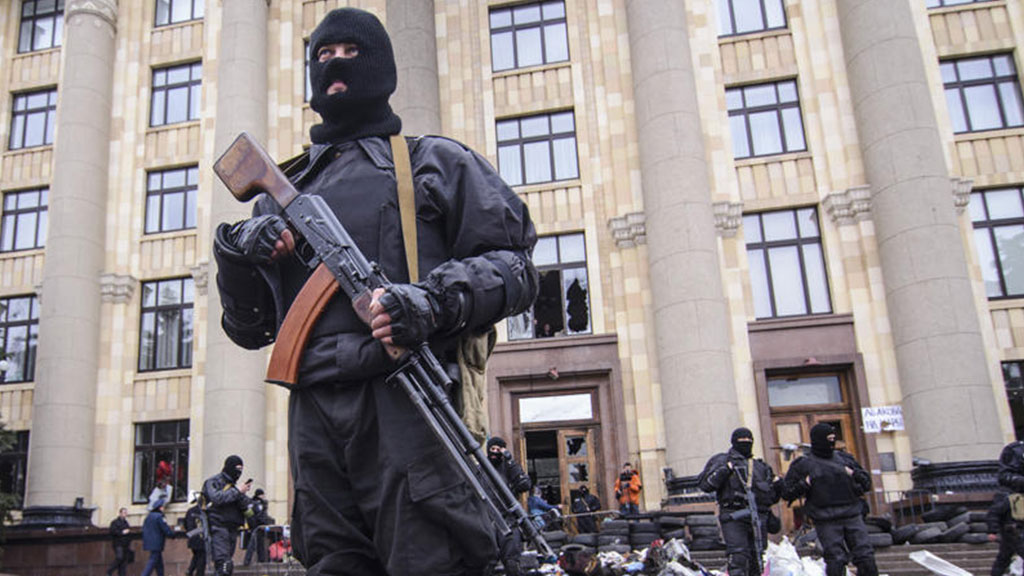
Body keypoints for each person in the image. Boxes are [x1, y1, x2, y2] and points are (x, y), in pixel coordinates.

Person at [213, 7, 538, 576]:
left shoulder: (434, 163)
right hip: (314, 412)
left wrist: (430, 303)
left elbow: (515, 269)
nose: (335, 63)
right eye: (323, 54)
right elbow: (250, 329)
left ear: (382, 67)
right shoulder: (282, 190)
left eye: (351, 52)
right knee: (332, 561)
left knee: (429, 558)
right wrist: (236, 253)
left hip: (407, 400)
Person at [783, 423, 878, 576]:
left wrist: (854, 474)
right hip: (825, 517)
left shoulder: (845, 459)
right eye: (828, 439)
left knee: (865, 556)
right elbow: (787, 492)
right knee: (836, 559)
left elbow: (866, 483)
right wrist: (804, 484)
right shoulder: (804, 464)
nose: (831, 443)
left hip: (852, 514)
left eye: (834, 439)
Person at [698, 427, 783, 576]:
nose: (745, 443)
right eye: (742, 440)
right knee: (738, 557)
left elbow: (770, 498)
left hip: (756, 517)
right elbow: (706, 485)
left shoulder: (760, 467)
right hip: (733, 515)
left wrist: (779, 487)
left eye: (748, 440)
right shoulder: (722, 461)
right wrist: (725, 470)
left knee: (757, 558)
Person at [487, 436, 531, 575]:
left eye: (498, 449)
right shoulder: (480, 469)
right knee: (486, 563)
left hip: (508, 521)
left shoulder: (509, 468)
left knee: (512, 563)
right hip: (486, 520)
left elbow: (524, 484)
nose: (495, 452)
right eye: (492, 449)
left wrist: (510, 462)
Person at [202, 455, 253, 576]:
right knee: (223, 565)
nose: (239, 472)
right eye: (237, 469)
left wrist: (244, 496)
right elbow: (217, 498)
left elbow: (245, 507)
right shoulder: (213, 482)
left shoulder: (234, 486)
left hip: (232, 528)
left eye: (241, 469)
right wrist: (237, 491)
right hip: (218, 526)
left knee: (227, 564)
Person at [986, 488, 1024, 576]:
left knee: (1003, 559)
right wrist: (993, 531)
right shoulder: (1011, 500)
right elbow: (994, 513)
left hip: (1013, 534)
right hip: (1013, 533)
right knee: (1003, 559)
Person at [140, 498, 175, 576]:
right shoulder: (160, 516)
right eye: (163, 507)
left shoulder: (148, 516)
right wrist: (172, 534)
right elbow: (164, 528)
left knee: (159, 563)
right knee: (152, 561)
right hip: (157, 542)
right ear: (160, 507)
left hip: (149, 542)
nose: (163, 508)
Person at [243, 488, 276, 566]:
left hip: (253, 526)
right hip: (258, 526)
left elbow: (249, 515)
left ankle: (261, 560)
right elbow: (260, 515)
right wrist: (267, 522)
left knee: (259, 544)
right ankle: (248, 560)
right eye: (263, 495)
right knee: (253, 544)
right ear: (260, 495)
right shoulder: (259, 504)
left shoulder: (251, 503)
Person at [184, 492, 206, 576]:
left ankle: (190, 571)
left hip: (192, 538)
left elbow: (186, 525)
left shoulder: (190, 511)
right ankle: (197, 573)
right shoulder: (204, 512)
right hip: (201, 538)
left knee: (196, 556)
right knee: (201, 559)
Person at [106, 507, 132, 576]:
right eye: (124, 513)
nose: (125, 514)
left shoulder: (126, 522)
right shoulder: (115, 522)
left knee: (124, 561)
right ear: (120, 513)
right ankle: (110, 570)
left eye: (126, 513)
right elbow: (113, 531)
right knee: (119, 557)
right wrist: (122, 532)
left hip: (125, 544)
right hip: (118, 543)